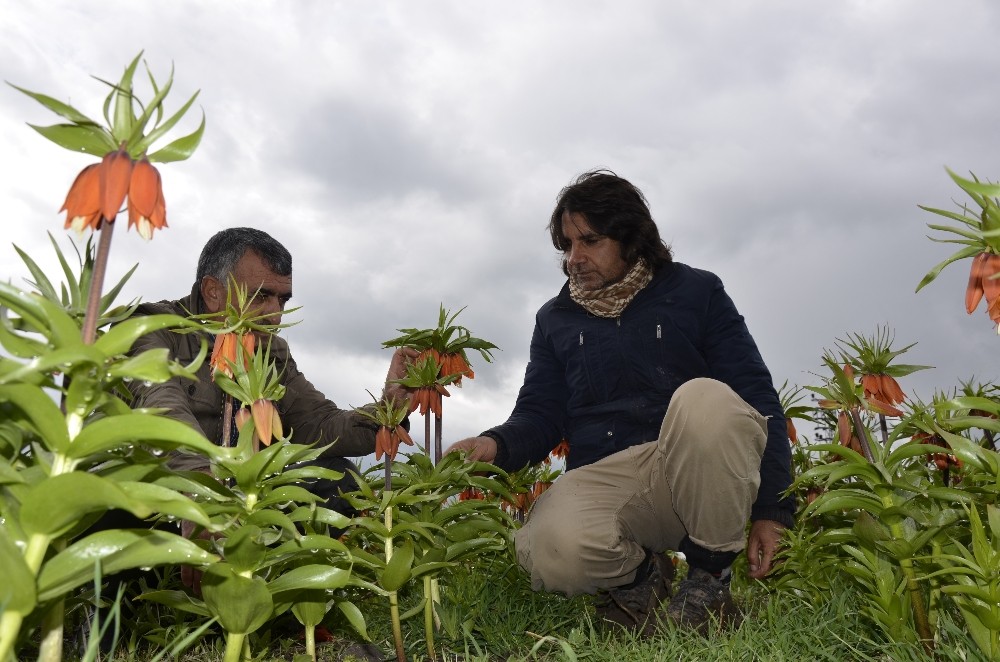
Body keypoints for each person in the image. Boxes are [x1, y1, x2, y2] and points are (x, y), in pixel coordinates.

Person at [446, 170, 794, 634]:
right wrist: (493, 446)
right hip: (616, 482)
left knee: (704, 399)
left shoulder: (696, 292)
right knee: (549, 549)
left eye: (589, 241)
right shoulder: (555, 319)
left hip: (698, 469)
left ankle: (710, 582)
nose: (575, 258)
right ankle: (640, 577)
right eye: (567, 246)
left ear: (631, 238)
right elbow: (540, 413)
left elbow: (755, 396)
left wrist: (773, 510)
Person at [128, 226, 413, 517]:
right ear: (213, 292)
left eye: (282, 300)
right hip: (162, 490)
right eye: (261, 296)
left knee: (338, 477)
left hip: (242, 494)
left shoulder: (271, 353)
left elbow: (317, 422)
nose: (275, 315)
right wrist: (202, 485)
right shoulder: (153, 328)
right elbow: (161, 404)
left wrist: (390, 406)